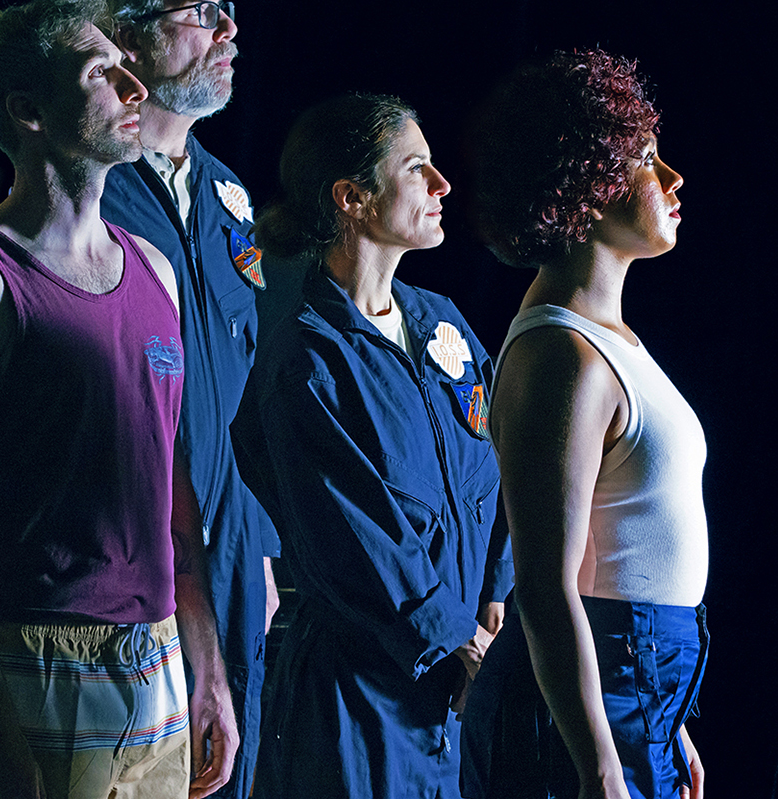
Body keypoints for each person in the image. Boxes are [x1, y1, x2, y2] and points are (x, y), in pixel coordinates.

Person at [0, 0, 237, 799]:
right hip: (31, 660)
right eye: (102, 74)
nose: (135, 88)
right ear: (29, 111)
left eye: (130, 67)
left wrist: (208, 669)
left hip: (154, 660)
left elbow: (173, 489)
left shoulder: (154, 268)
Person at [230, 94, 512, 798]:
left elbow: (500, 462)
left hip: (458, 691)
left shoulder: (441, 323)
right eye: (417, 169)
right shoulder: (309, 359)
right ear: (352, 198)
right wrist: (454, 643)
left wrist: (498, 592)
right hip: (360, 707)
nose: (442, 184)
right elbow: (358, 538)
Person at [460, 50, 708, 799]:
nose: (673, 179)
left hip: (641, 689)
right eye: (644, 160)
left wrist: (672, 725)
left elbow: (629, 544)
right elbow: (544, 585)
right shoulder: (558, 353)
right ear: (588, 182)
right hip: (585, 703)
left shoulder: (611, 340)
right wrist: (599, 765)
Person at [85, 0, 279, 799]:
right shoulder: (85, 187)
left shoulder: (230, 196)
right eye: (202, 13)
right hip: (133, 556)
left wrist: (265, 555)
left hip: (234, 550)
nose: (229, 31)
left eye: (226, 10)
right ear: (126, 37)